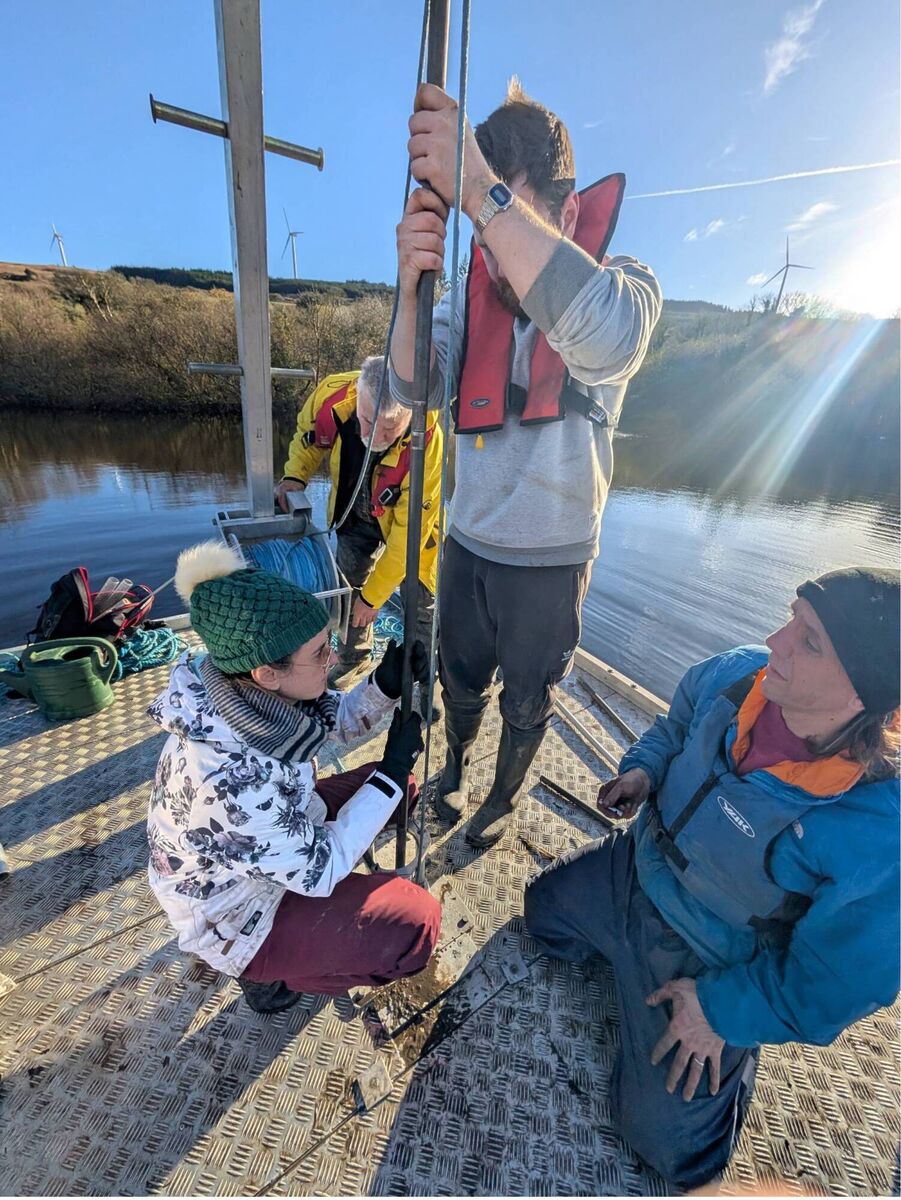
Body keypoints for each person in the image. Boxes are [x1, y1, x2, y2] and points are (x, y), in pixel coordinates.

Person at [525, 567, 900, 1189]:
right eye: (791, 617)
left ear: (865, 693)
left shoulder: (878, 832)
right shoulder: (737, 676)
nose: (777, 642)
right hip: (635, 870)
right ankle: (620, 961)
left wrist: (721, 1011)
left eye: (809, 641)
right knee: (541, 919)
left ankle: (725, 1054)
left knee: (668, 1153)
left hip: (710, 958)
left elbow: (829, 988)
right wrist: (643, 772)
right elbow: (673, 727)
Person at [390, 79, 662, 848]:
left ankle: (500, 799)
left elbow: (608, 339)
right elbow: (415, 387)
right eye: (480, 231)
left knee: (527, 699)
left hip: (551, 557)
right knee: (459, 678)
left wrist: (478, 193)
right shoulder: (467, 293)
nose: (492, 250)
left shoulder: (625, 284)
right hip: (467, 543)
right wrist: (410, 290)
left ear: (568, 215)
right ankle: (454, 768)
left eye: (506, 216)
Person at [146, 540, 441, 1013]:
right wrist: (390, 767)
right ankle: (267, 972)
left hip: (275, 828)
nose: (334, 659)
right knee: (417, 925)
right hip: (237, 912)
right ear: (267, 673)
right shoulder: (231, 782)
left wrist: (383, 686)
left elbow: (329, 723)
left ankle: (304, 939)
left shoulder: (241, 688)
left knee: (399, 792)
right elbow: (321, 870)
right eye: (322, 653)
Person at [276, 356, 443, 706]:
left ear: (410, 414)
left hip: (410, 529)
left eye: (388, 430)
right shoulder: (332, 397)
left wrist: (375, 598)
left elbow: (407, 540)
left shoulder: (427, 442)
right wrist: (295, 476)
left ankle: (427, 684)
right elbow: (308, 441)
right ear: (357, 394)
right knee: (348, 589)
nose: (373, 437)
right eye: (367, 421)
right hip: (354, 515)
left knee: (422, 602)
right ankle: (354, 658)